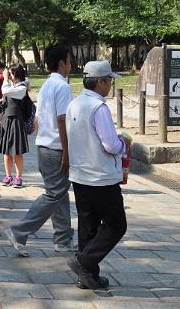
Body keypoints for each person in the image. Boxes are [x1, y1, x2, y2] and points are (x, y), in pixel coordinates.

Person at [5, 45, 75, 257]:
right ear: (62, 63)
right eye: (69, 61)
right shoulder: (62, 87)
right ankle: (19, 231)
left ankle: (63, 239)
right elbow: (62, 119)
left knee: (59, 194)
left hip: (44, 145)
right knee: (54, 194)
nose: (71, 65)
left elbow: (40, 117)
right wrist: (67, 150)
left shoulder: (47, 85)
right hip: (56, 147)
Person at [66, 61, 130, 290]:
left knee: (88, 226)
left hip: (80, 174)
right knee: (116, 224)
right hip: (100, 176)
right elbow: (110, 145)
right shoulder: (98, 107)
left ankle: (88, 275)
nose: (111, 85)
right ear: (101, 81)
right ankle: (84, 262)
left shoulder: (75, 103)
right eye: (110, 81)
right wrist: (123, 143)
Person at [0, 64, 30, 189]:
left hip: (16, 121)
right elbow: (6, 94)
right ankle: (8, 175)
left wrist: (5, 78)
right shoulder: (12, 86)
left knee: (17, 152)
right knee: (6, 151)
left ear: (16, 74)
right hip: (6, 120)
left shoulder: (21, 87)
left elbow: (5, 90)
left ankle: (19, 177)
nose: (9, 76)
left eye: (10, 74)